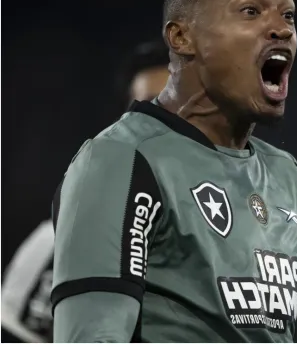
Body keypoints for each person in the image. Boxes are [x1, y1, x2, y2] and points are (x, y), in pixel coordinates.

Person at [51, 0, 297, 343]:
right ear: (182, 37)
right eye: (251, 10)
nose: (281, 29)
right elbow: (92, 337)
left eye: (288, 15)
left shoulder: (285, 174)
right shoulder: (123, 161)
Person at [1, 40, 170, 343]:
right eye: (147, 108)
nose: (165, 124)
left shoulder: (254, 240)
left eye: (182, 109)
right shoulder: (61, 242)